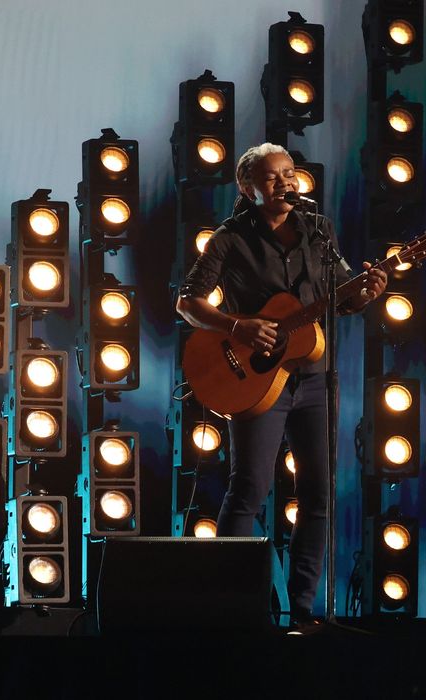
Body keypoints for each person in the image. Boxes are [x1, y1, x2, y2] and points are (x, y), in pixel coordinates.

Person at [177, 143, 387, 627]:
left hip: (314, 379)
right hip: (252, 381)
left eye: (290, 174)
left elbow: (341, 296)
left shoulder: (318, 230)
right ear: (247, 188)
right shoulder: (229, 239)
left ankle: (304, 610)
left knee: (318, 494)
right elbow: (187, 304)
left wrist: (367, 292)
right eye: (272, 177)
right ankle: (232, 606)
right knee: (248, 489)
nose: (285, 183)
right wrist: (238, 327)